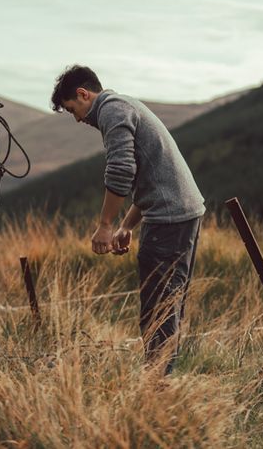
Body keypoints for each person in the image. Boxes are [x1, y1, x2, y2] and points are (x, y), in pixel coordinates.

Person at [51, 65, 205, 374]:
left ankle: (156, 388)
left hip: (169, 219)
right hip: (181, 212)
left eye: (73, 110)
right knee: (168, 302)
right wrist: (126, 226)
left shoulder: (111, 111)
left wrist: (106, 226)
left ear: (84, 94)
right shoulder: (125, 105)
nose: (78, 119)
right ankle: (163, 380)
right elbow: (149, 177)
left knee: (157, 307)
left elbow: (122, 170)